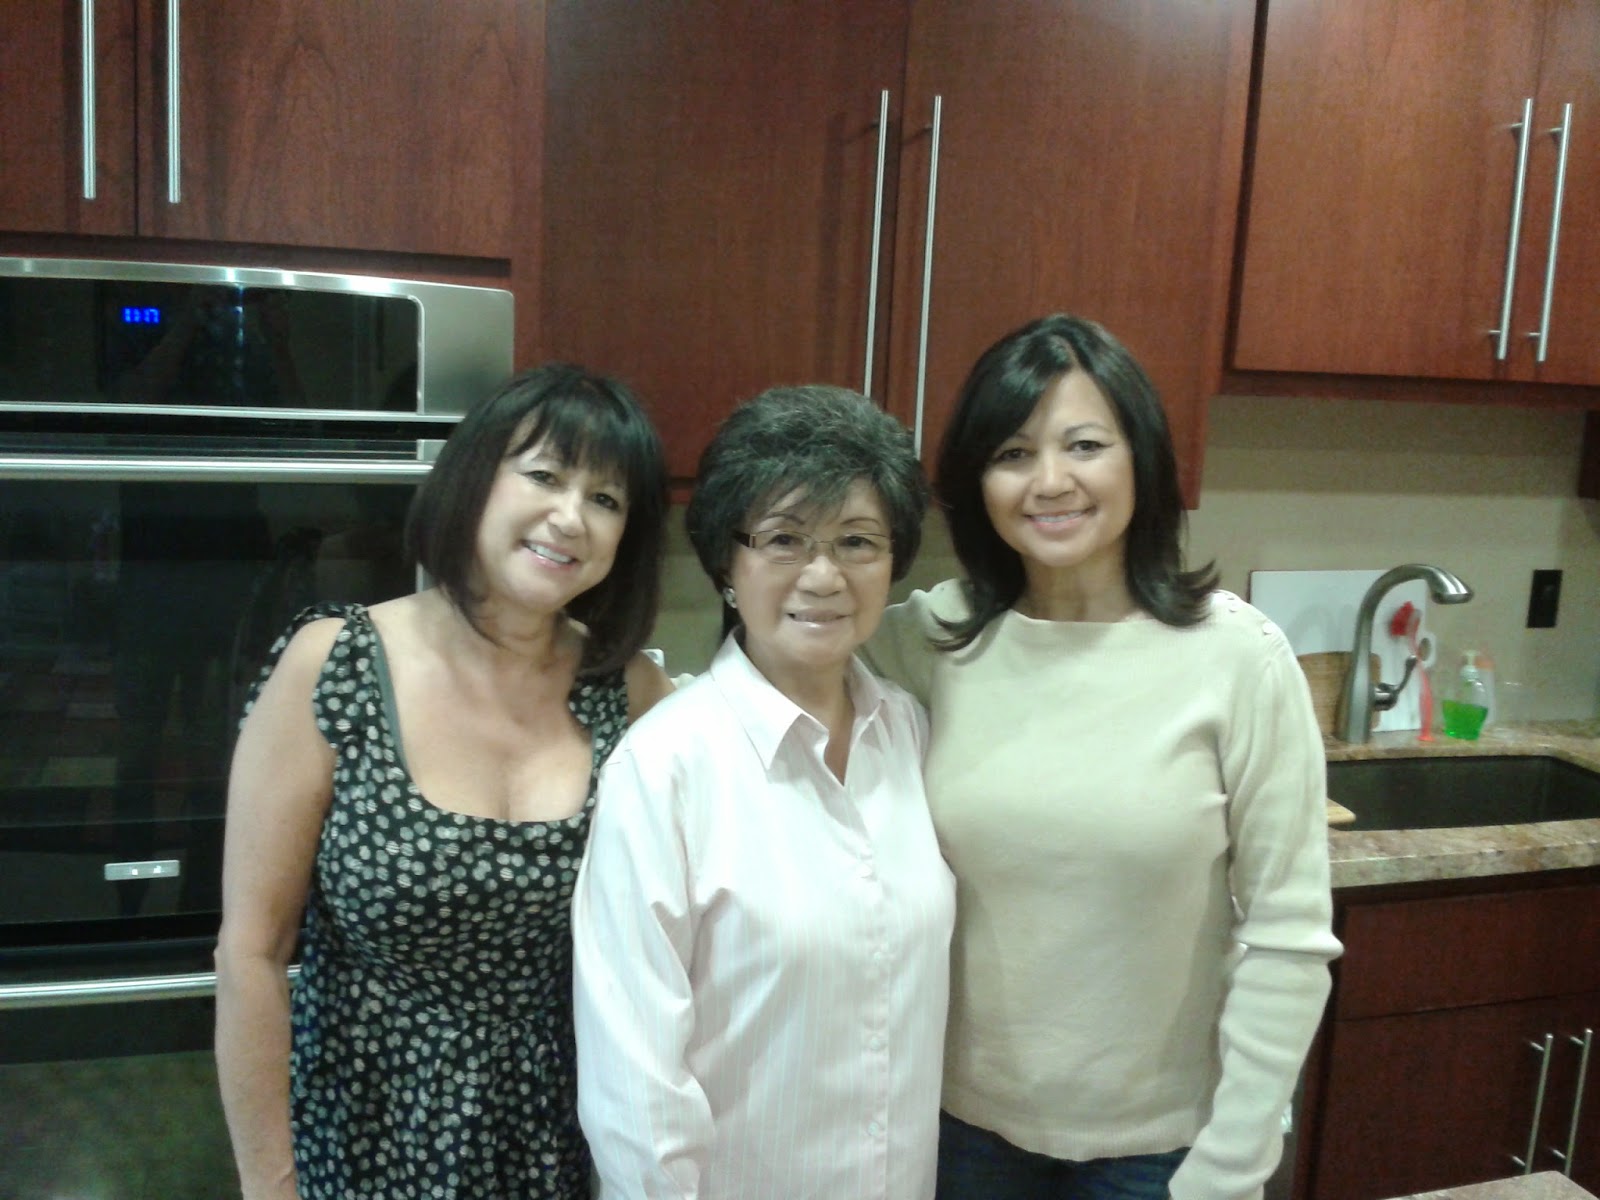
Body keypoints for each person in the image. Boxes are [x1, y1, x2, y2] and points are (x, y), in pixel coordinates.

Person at [863, 315, 1341, 1200]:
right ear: (978, 481)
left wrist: (1232, 1163)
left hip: (1160, 1152)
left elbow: (1288, 933)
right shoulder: (936, 638)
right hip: (959, 1131)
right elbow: (781, 671)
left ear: (1140, 459)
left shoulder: (1238, 658)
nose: (1050, 481)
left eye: (1084, 445)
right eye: (1013, 453)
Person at [214, 363, 673, 1200]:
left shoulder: (634, 695)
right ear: (474, 479)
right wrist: (270, 1185)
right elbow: (252, 951)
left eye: (606, 499)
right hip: (366, 1137)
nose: (571, 517)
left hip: (564, 1141)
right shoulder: (336, 665)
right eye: (545, 475)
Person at [571, 385, 956, 1199]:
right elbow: (636, 1087)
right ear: (727, 565)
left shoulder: (911, 735)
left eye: (857, 541)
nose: (823, 575)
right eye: (783, 539)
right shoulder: (665, 770)